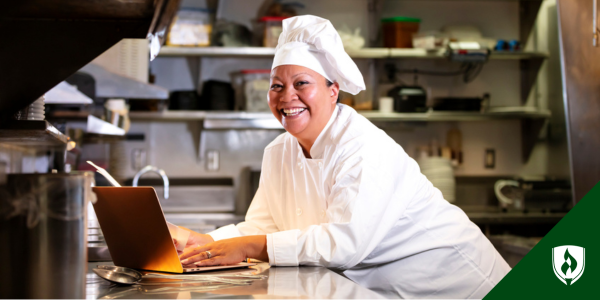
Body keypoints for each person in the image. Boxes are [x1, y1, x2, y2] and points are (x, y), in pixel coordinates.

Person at [177, 15, 511, 298]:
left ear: (333, 90)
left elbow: (344, 243)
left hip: (462, 285)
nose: (286, 96)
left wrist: (251, 247)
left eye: (301, 83)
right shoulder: (278, 152)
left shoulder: (362, 146)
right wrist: (202, 243)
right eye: (276, 85)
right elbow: (262, 227)